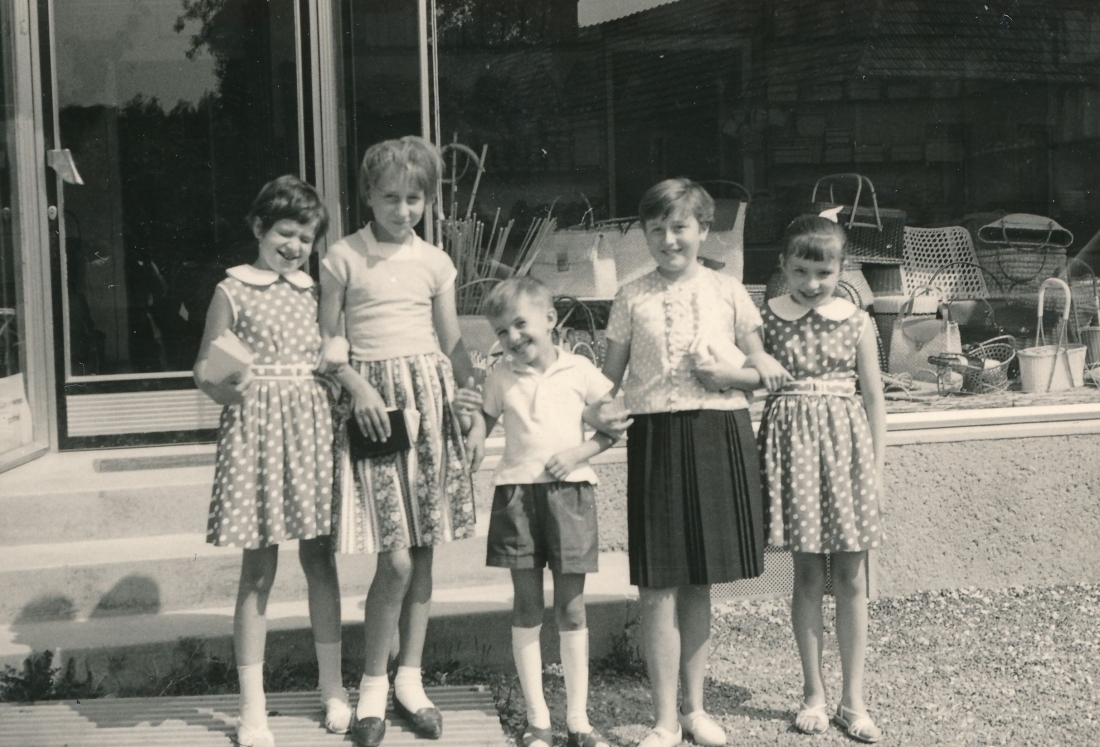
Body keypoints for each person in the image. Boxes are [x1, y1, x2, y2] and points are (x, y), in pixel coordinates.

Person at [590, 178, 788, 747]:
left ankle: (696, 710)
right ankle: (663, 720)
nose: (669, 240)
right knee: (657, 586)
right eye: (657, 230)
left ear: (703, 230)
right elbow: (608, 379)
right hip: (655, 436)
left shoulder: (728, 291)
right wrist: (585, 413)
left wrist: (733, 376)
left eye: (680, 227)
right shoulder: (631, 296)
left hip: (715, 431)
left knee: (699, 582)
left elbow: (764, 370)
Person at [319, 136, 478, 747]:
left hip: (431, 401)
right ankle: (372, 684)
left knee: (426, 549)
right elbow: (327, 344)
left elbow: (452, 339)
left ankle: (411, 678)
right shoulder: (343, 257)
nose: (403, 209)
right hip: (376, 409)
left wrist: (473, 402)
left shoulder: (435, 262)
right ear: (367, 195)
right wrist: (355, 383)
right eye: (391, 197)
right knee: (397, 555)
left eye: (415, 198)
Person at [194, 175, 349, 747]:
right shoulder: (232, 289)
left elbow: (334, 353)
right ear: (259, 228)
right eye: (285, 232)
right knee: (258, 571)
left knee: (320, 561)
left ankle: (332, 688)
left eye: (306, 237)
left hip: (309, 428)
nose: (294, 245)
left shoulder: (316, 290)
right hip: (256, 431)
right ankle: (252, 707)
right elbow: (204, 367)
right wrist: (224, 389)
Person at [463, 276, 617, 747]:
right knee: (527, 605)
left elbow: (613, 426)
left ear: (550, 320)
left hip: (570, 494)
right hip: (516, 496)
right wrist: (470, 425)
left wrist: (578, 453)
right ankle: (538, 721)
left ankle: (578, 721)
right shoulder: (500, 375)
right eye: (502, 331)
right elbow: (483, 423)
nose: (512, 338)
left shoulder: (581, 371)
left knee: (571, 607)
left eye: (520, 325)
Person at [756, 215, 885, 743]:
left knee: (853, 575)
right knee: (808, 575)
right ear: (784, 267)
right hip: (793, 453)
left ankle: (853, 699)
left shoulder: (856, 320)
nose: (813, 283)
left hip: (847, 452)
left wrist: (877, 469)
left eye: (824, 272)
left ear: (841, 270)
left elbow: (874, 396)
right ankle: (813, 692)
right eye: (802, 270)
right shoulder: (767, 319)